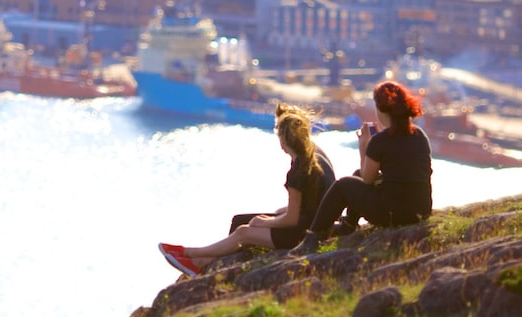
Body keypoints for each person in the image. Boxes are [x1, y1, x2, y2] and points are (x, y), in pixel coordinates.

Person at [158, 102, 328, 277]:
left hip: (302, 235)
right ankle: (205, 261)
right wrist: (276, 215)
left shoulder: (298, 171)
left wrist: (265, 222)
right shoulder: (311, 155)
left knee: (243, 232)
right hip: (314, 225)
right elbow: (310, 202)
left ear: (284, 140)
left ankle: (193, 255)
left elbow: (292, 220)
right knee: (241, 221)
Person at [295, 80, 433, 254]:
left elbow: (368, 179)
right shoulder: (419, 135)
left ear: (382, 110)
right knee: (357, 174)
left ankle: (312, 238)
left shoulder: (381, 141)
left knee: (343, 185)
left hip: (394, 213)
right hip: (420, 208)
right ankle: (348, 225)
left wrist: (364, 147)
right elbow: (401, 173)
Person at [225, 103, 337, 234]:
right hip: (319, 218)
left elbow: (292, 219)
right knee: (265, 216)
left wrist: (265, 222)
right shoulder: (310, 152)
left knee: (241, 222)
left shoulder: (301, 164)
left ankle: (225, 254)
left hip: (308, 226)